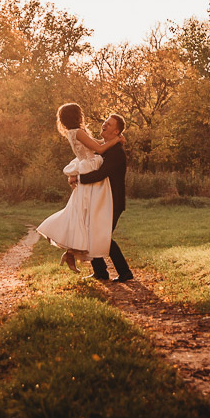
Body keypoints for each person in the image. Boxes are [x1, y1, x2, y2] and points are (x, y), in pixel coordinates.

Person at [36, 103, 121, 272]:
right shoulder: (79, 132)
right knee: (86, 214)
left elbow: (96, 142)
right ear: (77, 116)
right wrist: (117, 140)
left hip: (86, 166)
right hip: (89, 168)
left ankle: (71, 252)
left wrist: (111, 140)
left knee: (83, 213)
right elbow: (99, 148)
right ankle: (71, 252)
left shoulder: (72, 132)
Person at [71, 113, 133, 283]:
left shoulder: (116, 153)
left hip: (113, 201)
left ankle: (125, 272)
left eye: (109, 124)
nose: (104, 124)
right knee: (94, 233)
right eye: (105, 121)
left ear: (117, 131)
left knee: (102, 236)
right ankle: (101, 272)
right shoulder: (105, 149)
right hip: (101, 200)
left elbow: (101, 174)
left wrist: (78, 178)